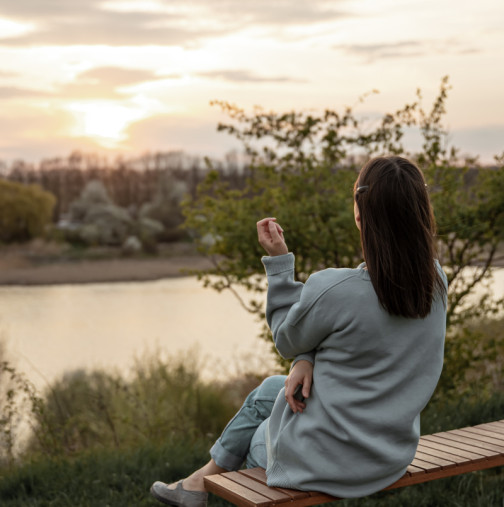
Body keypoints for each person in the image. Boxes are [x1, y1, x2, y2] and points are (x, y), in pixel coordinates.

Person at [150, 156, 448, 506]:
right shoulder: (434, 281)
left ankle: (204, 483)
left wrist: (279, 264)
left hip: (324, 464)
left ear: (359, 214)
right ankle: (197, 484)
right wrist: (305, 360)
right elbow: (347, 336)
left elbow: (286, 337)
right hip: (388, 457)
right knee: (270, 391)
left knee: (256, 439)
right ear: (420, 211)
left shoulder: (337, 290)